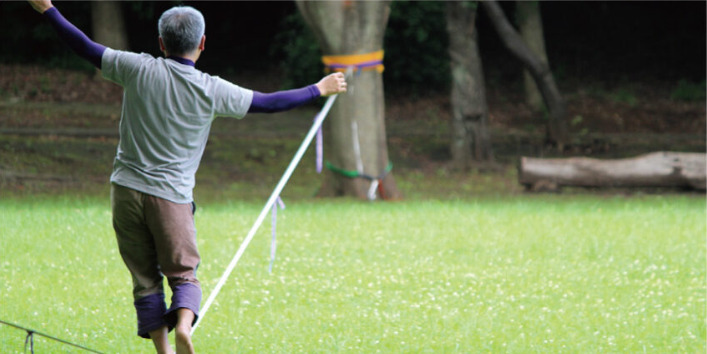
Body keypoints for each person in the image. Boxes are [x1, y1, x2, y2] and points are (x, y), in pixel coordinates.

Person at [27, 1, 347, 353]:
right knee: (183, 275)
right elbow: (270, 102)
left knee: (145, 279)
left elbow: (84, 46)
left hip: (125, 192)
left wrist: (49, 9)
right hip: (171, 199)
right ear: (202, 43)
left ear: (161, 43)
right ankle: (183, 327)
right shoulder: (212, 89)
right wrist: (319, 88)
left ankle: (164, 351)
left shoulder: (137, 68)